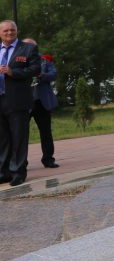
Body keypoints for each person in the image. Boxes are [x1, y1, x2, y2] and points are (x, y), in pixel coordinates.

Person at [0, 20, 42, 186]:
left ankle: (18, 172)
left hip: (17, 101)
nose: (9, 33)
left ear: (17, 31)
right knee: (2, 139)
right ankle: (4, 172)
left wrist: (13, 72)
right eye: (6, 31)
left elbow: (36, 69)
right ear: (0, 33)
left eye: (12, 30)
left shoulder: (28, 48)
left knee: (18, 137)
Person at [21, 38, 59, 168]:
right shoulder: (18, 60)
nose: (29, 48)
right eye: (26, 46)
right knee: (21, 135)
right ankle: (21, 163)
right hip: (23, 102)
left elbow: (54, 74)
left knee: (46, 132)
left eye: (32, 46)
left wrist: (42, 75)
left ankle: (48, 159)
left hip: (42, 102)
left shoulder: (45, 60)